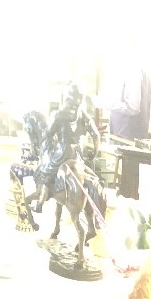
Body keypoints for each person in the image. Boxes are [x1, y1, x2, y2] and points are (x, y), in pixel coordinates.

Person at [33, 83, 100, 214]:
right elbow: (96, 135)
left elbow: (48, 134)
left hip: (62, 153)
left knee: (46, 173)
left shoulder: (59, 114)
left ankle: (39, 203)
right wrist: (95, 153)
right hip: (78, 155)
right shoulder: (84, 115)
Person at [108, 64, 151, 140]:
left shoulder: (133, 71)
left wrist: (107, 104)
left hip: (127, 139)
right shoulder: (140, 70)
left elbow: (133, 108)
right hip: (127, 136)